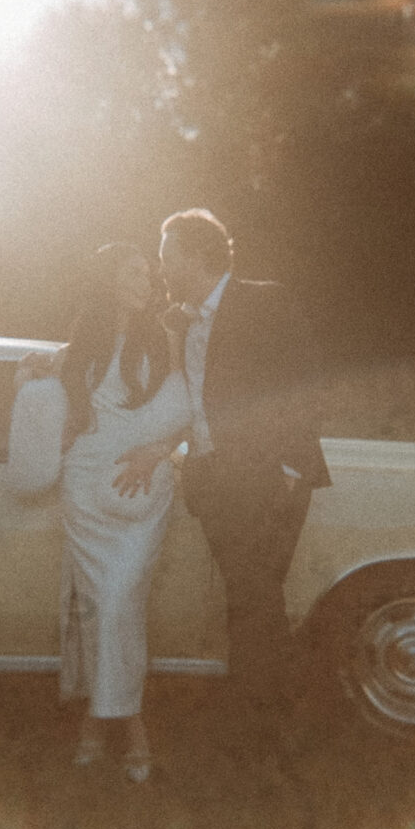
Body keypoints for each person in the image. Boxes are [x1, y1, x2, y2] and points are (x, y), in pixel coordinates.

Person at [117, 208, 331, 759]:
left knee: (255, 600)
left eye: (167, 257)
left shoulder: (265, 301)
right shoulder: (178, 321)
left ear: (194, 255)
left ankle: (263, 730)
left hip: (268, 478)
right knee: (251, 600)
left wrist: (284, 470)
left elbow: (306, 385)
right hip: (215, 483)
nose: (162, 269)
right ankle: (263, 722)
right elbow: (184, 399)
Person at [16, 243, 189, 783]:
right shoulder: (79, 345)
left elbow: (195, 410)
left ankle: (108, 722)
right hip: (85, 489)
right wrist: (31, 375)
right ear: (109, 278)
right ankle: (118, 725)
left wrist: (157, 452)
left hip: (142, 489)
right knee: (98, 608)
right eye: (135, 271)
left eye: (150, 273)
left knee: (117, 602)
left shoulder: (167, 337)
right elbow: (46, 407)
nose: (147, 280)